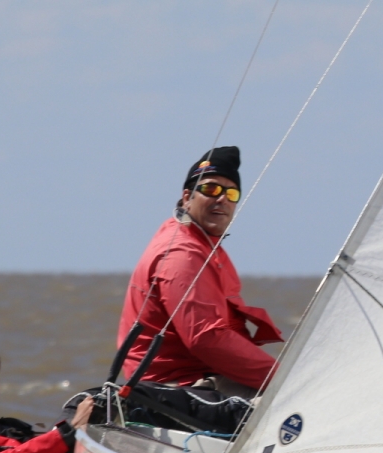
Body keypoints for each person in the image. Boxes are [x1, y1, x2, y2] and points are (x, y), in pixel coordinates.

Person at [114, 146, 283, 433]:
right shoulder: (183, 253)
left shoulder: (200, 243)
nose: (222, 198)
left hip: (201, 378)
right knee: (305, 406)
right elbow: (206, 338)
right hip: (180, 389)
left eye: (231, 193)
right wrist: (284, 378)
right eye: (211, 188)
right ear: (187, 197)